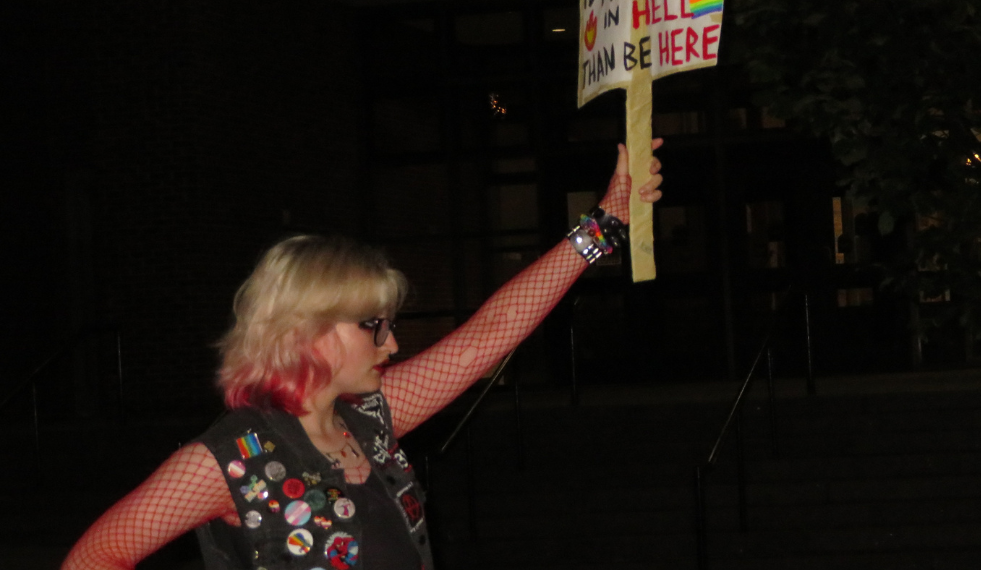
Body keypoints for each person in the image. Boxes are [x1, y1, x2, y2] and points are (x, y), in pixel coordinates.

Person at [62, 140, 664, 570]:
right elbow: (96, 555)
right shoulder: (231, 456)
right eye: (373, 325)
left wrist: (603, 224)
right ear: (307, 330)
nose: (392, 343)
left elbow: (490, 334)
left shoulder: (370, 416)